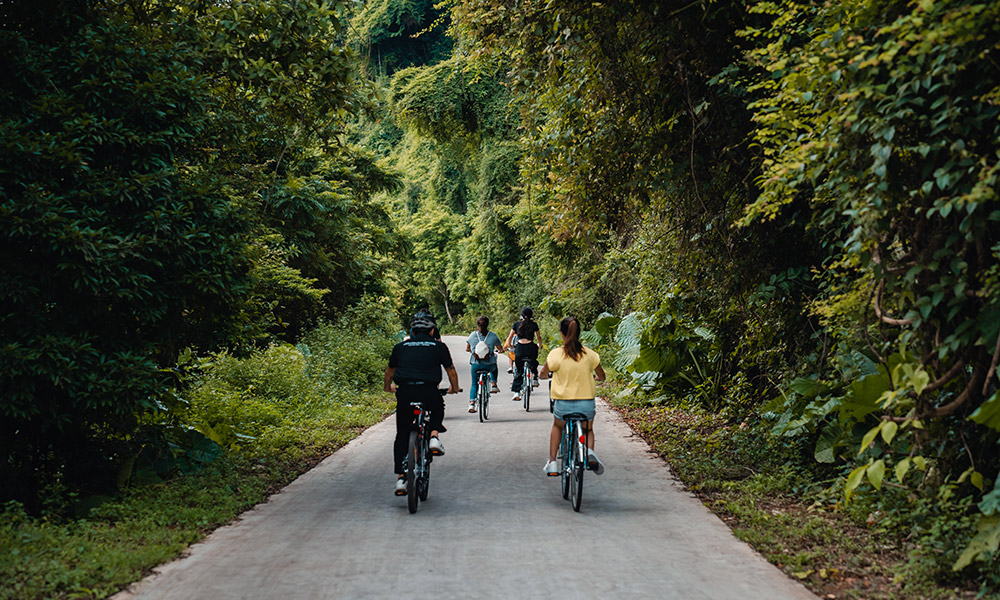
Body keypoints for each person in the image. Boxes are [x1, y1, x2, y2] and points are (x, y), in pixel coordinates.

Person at [384, 310, 460, 496]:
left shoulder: (401, 347)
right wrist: (455, 388)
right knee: (437, 407)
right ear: (432, 331)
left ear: (412, 331)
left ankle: (402, 478)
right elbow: (451, 371)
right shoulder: (438, 347)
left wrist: (388, 387)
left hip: (405, 392)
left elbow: (389, 372)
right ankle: (434, 436)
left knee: (402, 434)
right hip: (429, 391)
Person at [539, 316, 606, 476]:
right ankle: (589, 451)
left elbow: (543, 373)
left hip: (563, 404)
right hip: (586, 405)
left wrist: (545, 376)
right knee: (588, 429)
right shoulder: (590, 355)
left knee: (557, 426)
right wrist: (597, 378)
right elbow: (601, 375)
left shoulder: (555, 355)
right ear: (579, 333)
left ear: (562, 334)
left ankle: (553, 462)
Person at [465, 316, 504, 413]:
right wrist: (501, 350)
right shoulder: (493, 336)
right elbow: (500, 348)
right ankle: (494, 384)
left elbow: (468, 347)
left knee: (474, 383)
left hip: (476, 364)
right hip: (489, 364)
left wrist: (469, 350)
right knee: (494, 367)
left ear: (478, 325)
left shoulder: (472, 335)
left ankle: (472, 404)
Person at [504, 306, 543, 401]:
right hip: (530, 347)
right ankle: (534, 377)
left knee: (518, 370)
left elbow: (509, 338)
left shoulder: (516, 324)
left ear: (521, 315)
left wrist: (510, 346)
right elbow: (539, 338)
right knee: (533, 361)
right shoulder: (534, 324)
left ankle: (517, 393)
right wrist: (540, 345)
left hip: (520, 348)